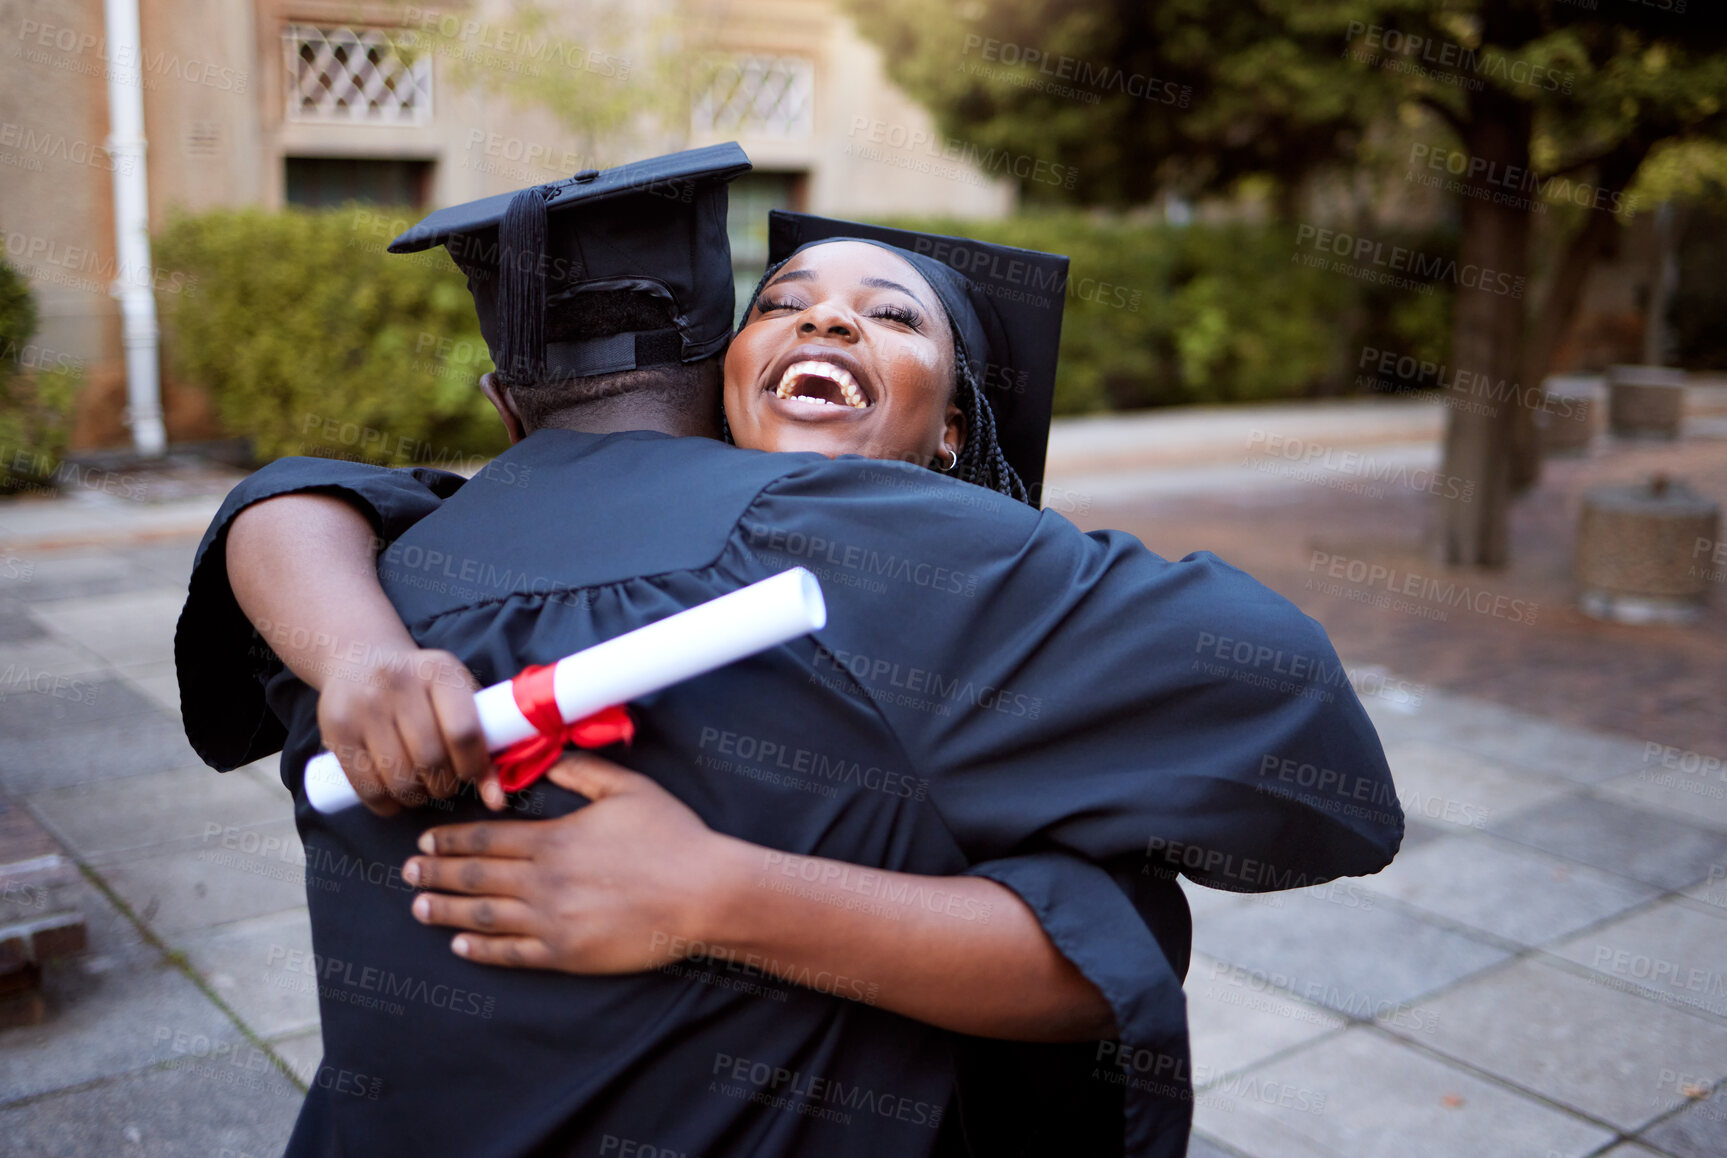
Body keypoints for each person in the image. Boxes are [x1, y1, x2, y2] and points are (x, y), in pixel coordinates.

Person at [175, 146, 1403, 1157]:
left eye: (889, 314)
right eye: (783, 303)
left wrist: (716, 893)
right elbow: (1301, 762)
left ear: (951, 435)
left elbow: (293, 498)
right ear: (713, 385)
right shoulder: (903, 570)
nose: (825, 315)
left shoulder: (380, 584)